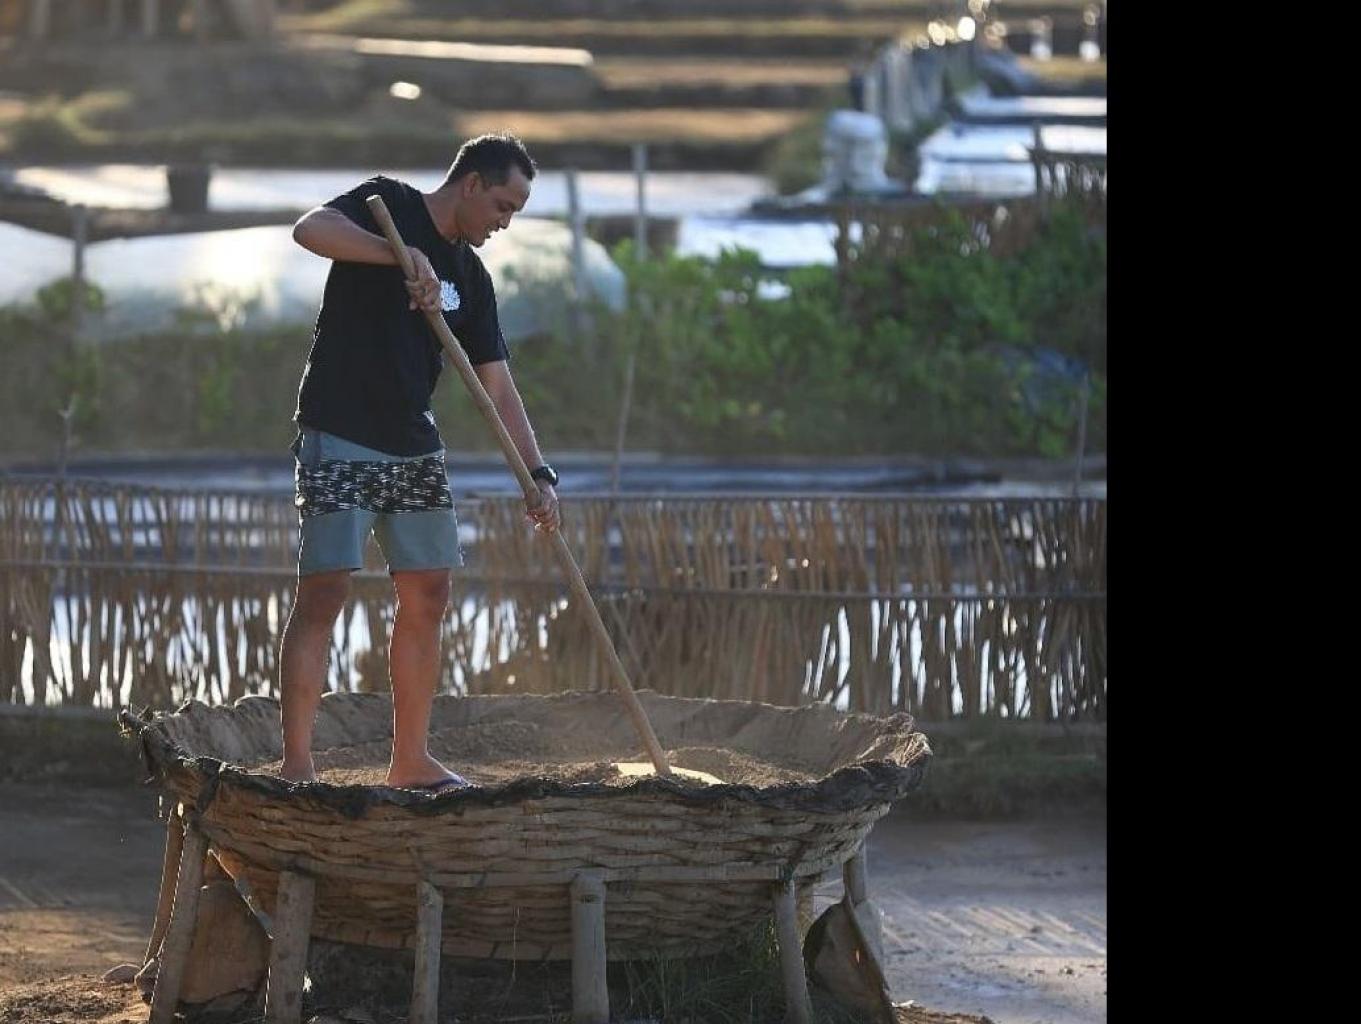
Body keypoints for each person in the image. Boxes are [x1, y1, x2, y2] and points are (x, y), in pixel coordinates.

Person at [278, 132, 561, 791]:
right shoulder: (389, 204)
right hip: (340, 427)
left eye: (515, 212)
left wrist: (537, 474)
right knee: (326, 589)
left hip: (413, 442)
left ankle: (409, 760)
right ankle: (297, 764)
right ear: (471, 184)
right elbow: (310, 229)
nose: (504, 222)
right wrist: (397, 255)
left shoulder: (471, 278)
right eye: (502, 205)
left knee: (430, 590)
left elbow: (497, 386)